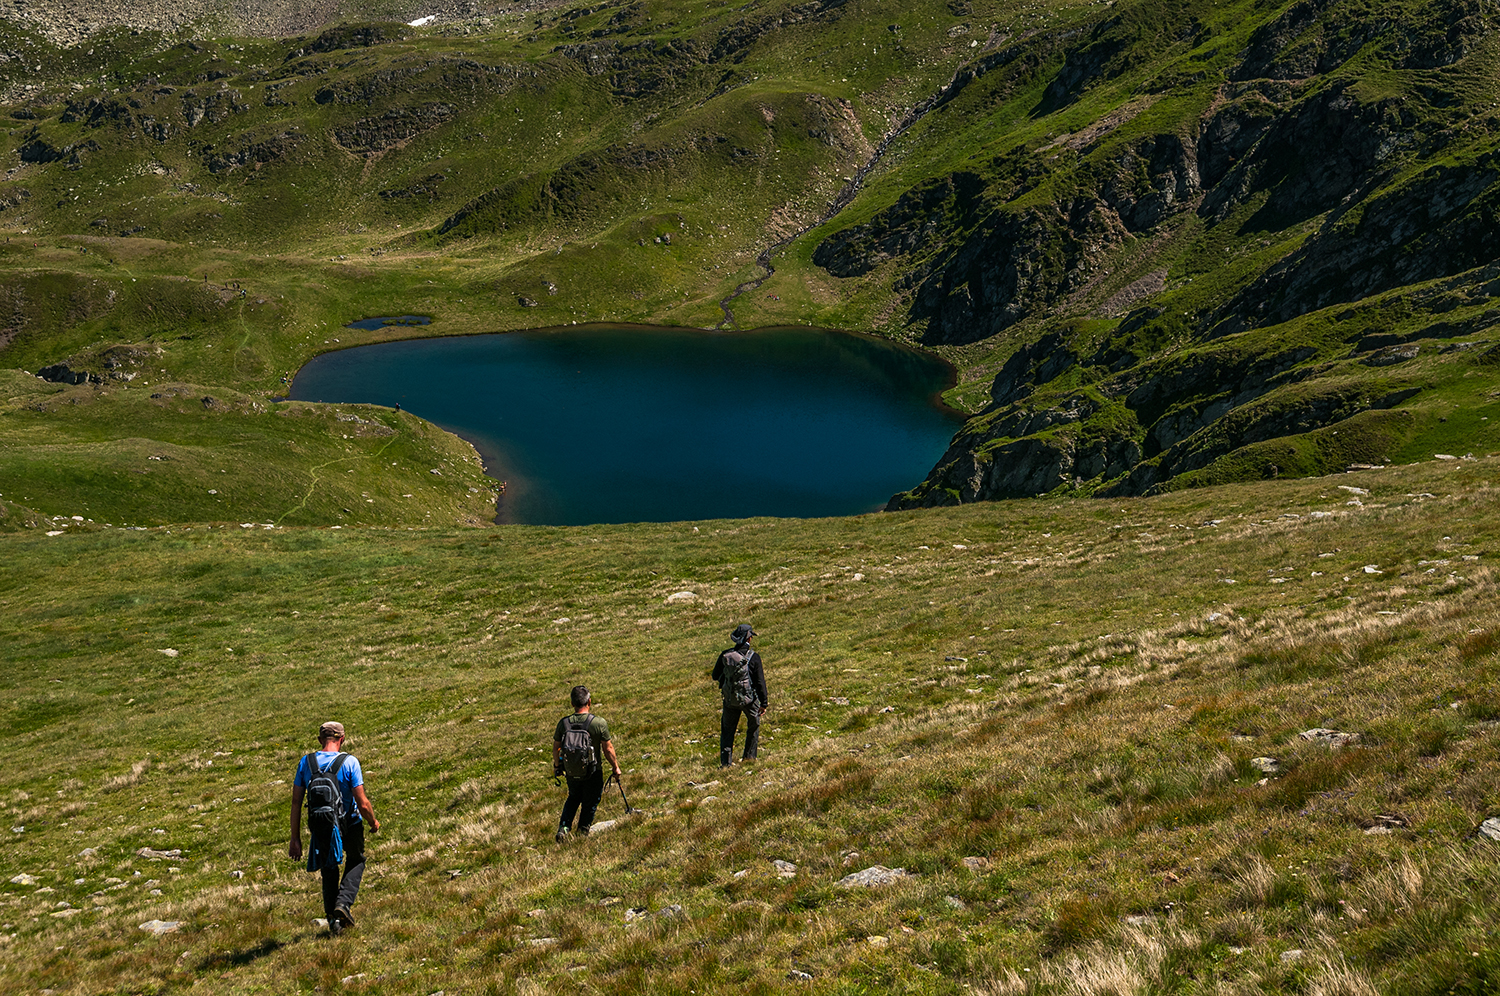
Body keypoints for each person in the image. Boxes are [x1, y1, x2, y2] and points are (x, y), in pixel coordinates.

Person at [289, 721, 381, 936]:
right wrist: (373, 822)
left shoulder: (306, 762)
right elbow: (362, 803)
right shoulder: (349, 762)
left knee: (329, 868)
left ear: (320, 740)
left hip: (321, 825)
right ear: (342, 739)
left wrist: (295, 838)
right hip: (349, 823)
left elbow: (296, 802)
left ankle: (334, 922)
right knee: (356, 859)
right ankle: (343, 904)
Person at [552, 685, 621, 842]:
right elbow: (608, 749)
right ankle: (582, 831)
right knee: (590, 801)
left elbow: (556, 747)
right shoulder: (598, 723)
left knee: (573, 798)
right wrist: (615, 767)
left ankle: (564, 828)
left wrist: (557, 766)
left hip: (571, 771)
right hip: (593, 771)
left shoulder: (564, 723)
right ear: (589, 701)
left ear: (572, 703)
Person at [712, 623, 768, 767]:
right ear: (749, 638)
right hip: (749, 700)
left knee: (727, 731)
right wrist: (764, 703)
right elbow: (759, 682)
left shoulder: (725, 655)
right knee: (753, 726)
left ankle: (726, 763)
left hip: (730, 700)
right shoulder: (753, 657)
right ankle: (749, 757)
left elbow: (715, 675)